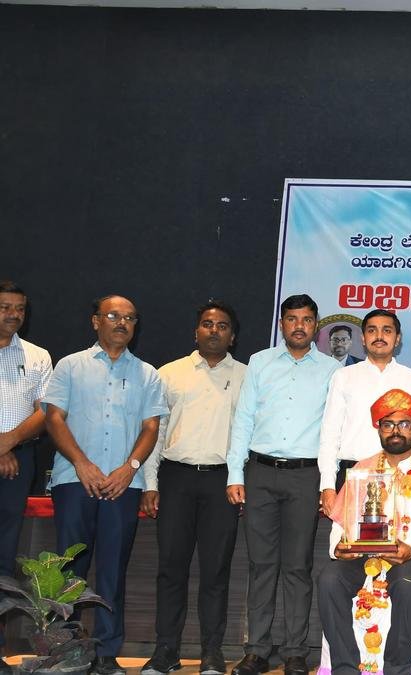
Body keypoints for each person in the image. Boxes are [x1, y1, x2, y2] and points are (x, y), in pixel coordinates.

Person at [42, 294, 168, 675]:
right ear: (96, 321)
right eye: (113, 315)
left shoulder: (148, 374)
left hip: (122, 486)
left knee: (113, 569)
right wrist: (82, 464)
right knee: (68, 568)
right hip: (74, 480)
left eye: (130, 318)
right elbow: (53, 418)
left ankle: (107, 652)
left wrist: (130, 469)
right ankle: (66, 650)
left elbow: (151, 427)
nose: (122, 323)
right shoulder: (70, 366)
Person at [226, 294, 339, 675]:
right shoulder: (260, 362)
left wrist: (326, 483)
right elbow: (243, 419)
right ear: (282, 324)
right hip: (260, 472)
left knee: (297, 567)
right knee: (261, 566)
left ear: (316, 326)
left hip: (305, 476)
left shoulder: (332, 369)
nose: (299, 326)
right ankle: (257, 650)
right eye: (292, 319)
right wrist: (235, 474)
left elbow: (332, 431)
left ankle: (294, 652)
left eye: (306, 319)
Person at [318, 388, 411, 675]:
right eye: (388, 424)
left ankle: (398, 667)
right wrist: (338, 548)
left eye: (404, 424)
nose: (396, 431)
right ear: (379, 429)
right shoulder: (363, 469)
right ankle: (345, 668)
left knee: (406, 582)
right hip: (363, 554)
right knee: (329, 579)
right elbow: (341, 521)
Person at [140, 301, 247, 675]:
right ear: (195, 331)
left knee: (216, 570)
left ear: (232, 336)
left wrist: (240, 480)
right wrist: (150, 483)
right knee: (171, 568)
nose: (214, 330)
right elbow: (155, 433)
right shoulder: (169, 373)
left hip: (222, 481)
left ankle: (212, 652)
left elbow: (248, 435)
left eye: (222, 325)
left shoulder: (247, 376)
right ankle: (166, 650)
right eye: (207, 324)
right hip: (176, 478)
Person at [318, 309, 411, 519]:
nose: (379, 336)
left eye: (386, 330)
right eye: (372, 330)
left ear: (397, 339)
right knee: (349, 539)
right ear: (363, 338)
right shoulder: (344, 376)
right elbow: (330, 433)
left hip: (402, 478)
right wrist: (327, 485)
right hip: (353, 475)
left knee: (398, 538)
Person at [0, 281, 52, 673]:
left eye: (19, 308)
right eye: (5, 307)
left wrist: (9, 443)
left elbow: (46, 411)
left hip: (18, 463)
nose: (13, 314)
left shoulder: (37, 356)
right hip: (7, 456)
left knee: (3, 557)